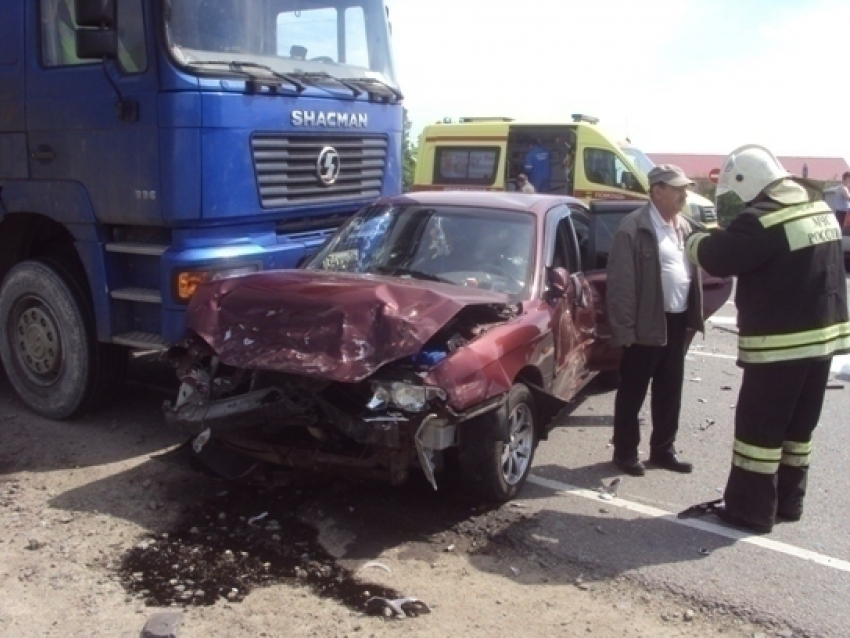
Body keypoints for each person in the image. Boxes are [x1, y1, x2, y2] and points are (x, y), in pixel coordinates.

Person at [685, 144, 850, 534]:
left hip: (781, 344)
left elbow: (717, 256)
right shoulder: (818, 208)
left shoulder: (763, 219)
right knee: (798, 428)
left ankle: (750, 511)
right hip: (823, 340)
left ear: (750, 183)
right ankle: (788, 503)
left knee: (758, 431)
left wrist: (693, 235)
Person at [606, 165, 703, 476]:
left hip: (676, 322)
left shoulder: (684, 227)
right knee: (633, 390)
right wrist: (624, 330)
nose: (684, 194)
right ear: (657, 190)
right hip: (644, 323)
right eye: (678, 188)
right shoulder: (632, 228)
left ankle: (663, 449)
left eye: (686, 188)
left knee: (669, 389)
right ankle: (624, 452)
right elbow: (620, 285)